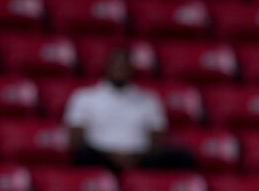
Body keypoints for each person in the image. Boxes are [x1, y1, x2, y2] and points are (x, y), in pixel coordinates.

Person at [64, 48, 194, 173]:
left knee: (182, 157)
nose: (120, 69)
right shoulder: (85, 97)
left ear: (131, 69)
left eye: (124, 66)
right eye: (116, 65)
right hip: (101, 157)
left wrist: (134, 158)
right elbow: (76, 140)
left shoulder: (148, 99)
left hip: (139, 158)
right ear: (107, 66)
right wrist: (112, 156)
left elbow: (158, 138)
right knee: (84, 155)